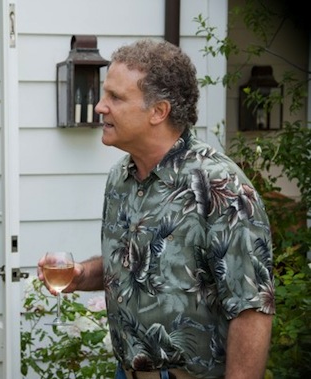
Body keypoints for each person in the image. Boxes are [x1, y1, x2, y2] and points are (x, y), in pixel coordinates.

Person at [38, 39, 275, 379]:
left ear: (158, 111)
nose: (100, 107)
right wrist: (82, 275)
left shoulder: (220, 186)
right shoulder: (120, 177)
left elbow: (251, 308)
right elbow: (135, 264)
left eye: (115, 98)